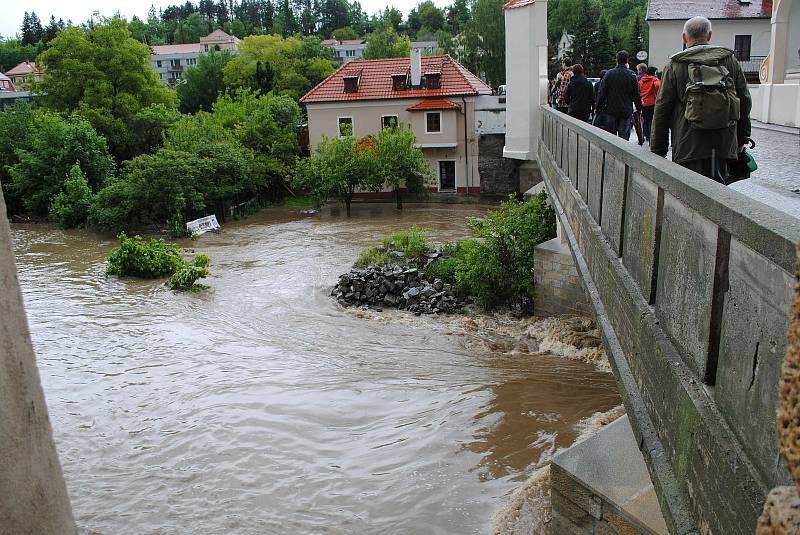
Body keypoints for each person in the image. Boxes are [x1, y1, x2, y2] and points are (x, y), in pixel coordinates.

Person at [650, 16, 752, 184]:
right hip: (723, 143)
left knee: (687, 194)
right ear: (709, 35)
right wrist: (742, 138)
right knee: (718, 195)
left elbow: (662, 109)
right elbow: (745, 100)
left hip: (687, 144)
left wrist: (658, 151)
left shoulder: (675, 65)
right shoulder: (729, 60)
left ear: (684, 38)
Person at [595, 50, 642, 140]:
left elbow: (602, 92)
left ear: (616, 60)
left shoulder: (609, 74)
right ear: (627, 61)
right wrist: (639, 108)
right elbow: (636, 94)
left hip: (610, 110)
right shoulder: (632, 75)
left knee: (611, 137)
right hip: (626, 110)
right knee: (624, 138)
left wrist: (597, 107)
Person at [639, 66, 661, 144]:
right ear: (653, 72)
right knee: (651, 120)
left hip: (643, 102)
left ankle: (646, 134)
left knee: (645, 120)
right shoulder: (654, 79)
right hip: (652, 102)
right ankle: (650, 136)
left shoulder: (642, 80)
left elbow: (639, 88)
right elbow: (658, 86)